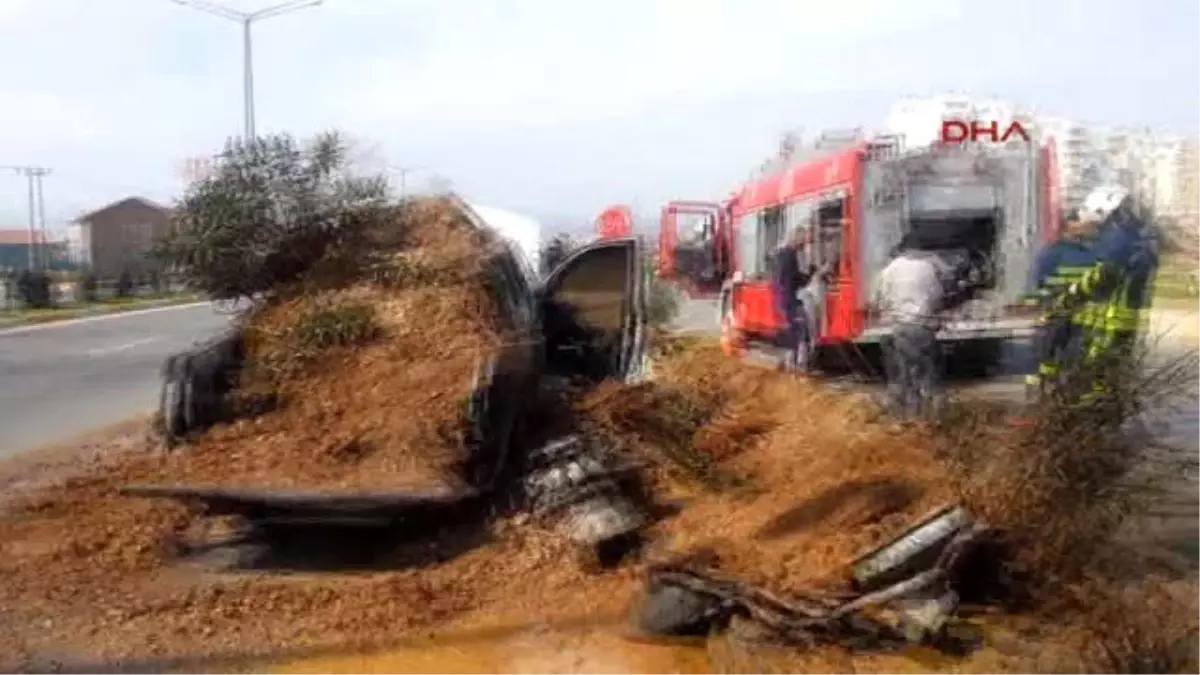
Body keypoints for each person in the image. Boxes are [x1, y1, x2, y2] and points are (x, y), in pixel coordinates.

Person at [1045, 185, 1157, 410]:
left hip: (1113, 323)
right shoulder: (1136, 239)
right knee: (1107, 374)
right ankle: (1101, 411)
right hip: (1121, 321)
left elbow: (1105, 274)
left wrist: (1072, 294)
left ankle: (1092, 417)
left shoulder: (1120, 239)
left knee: (1097, 372)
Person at [1022, 209, 1101, 399]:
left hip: (1082, 313)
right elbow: (1035, 283)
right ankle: (1039, 394)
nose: (1088, 227)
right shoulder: (1052, 252)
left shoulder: (1093, 253)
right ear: (1070, 225)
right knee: (1046, 354)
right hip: (1055, 313)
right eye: (1082, 222)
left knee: (1077, 356)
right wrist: (1042, 302)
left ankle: (1070, 394)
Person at [873, 235, 947, 421]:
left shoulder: (890, 269)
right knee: (926, 370)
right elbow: (938, 296)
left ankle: (904, 414)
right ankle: (930, 414)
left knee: (902, 371)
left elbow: (879, 297)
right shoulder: (928, 268)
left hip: (900, 327)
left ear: (902, 249)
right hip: (922, 326)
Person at [772, 227, 814, 373]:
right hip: (789, 299)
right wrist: (812, 275)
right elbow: (793, 279)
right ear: (796, 238)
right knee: (798, 330)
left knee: (794, 330)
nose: (804, 243)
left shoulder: (782, 254)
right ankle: (796, 365)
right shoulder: (789, 255)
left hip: (785, 299)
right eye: (803, 239)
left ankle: (793, 363)